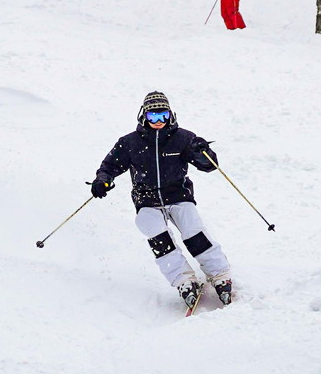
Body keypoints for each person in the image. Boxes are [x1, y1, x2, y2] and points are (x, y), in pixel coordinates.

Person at [90, 91, 234, 309]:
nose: (158, 122)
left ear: (170, 115)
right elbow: (109, 166)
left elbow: (210, 166)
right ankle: (184, 280)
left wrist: (203, 152)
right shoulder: (130, 142)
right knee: (156, 235)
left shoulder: (184, 138)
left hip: (178, 195)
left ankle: (219, 273)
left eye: (162, 116)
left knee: (192, 230)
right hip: (146, 199)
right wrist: (103, 180)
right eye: (153, 117)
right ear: (143, 116)